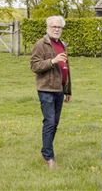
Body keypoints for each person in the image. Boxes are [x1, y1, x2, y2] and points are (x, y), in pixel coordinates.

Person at [30, 16, 71, 169]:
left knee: (55, 123)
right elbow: (34, 66)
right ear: (47, 27)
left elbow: (66, 69)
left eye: (59, 27)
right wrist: (52, 61)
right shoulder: (41, 44)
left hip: (59, 90)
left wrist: (68, 90)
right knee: (50, 122)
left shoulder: (62, 44)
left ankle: (46, 151)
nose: (56, 29)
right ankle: (49, 157)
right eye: (53, 26)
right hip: (46, 89)